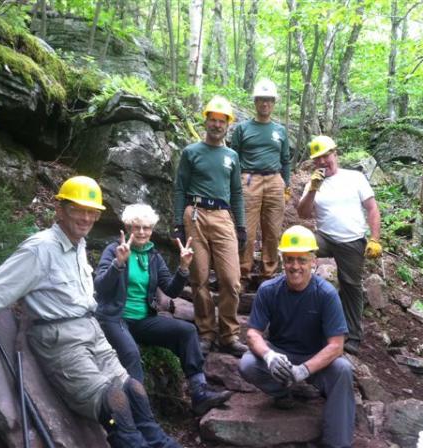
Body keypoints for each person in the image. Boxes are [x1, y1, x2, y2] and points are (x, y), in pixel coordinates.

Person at [0, 176, 180, 448]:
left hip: (91, 330)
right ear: (60, 209)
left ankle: (162, 443)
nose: (86, 217)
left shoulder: (78, 244)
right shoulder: (40, 249)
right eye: (78, 209)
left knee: (135, 392)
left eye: (91, 212)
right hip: (60, 338)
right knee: (115, 404)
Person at [94, 203, 232, 416]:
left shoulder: (153, 256)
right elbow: (100, 286)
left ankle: (199, 392)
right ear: (128, 227)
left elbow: (171, 290)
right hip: (115, 318)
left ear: (152, 230)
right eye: (136, 227)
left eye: (146, 228)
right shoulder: (114, 250)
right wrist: (118, 264)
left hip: (143, 320)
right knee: (131, 352)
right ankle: (139, 413)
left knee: (187, 331)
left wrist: (184, 268)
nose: (141, 232)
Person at [238, 225, 355, 448]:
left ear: (314, 262)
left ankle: (336, 442)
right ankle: (284, 391)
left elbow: (336, 346)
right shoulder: (268, 290)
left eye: (302, 260)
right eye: (289, 260)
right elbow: (253, 333)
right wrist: (270, 356)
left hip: (316, 357)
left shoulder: (326, 294)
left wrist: (305, 370)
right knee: (248, 363)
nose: (295, 266)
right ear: (283, 261)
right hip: (282, 355)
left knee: (343, 370)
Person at [173, 96, 248, 357]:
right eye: (213, 120)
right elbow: (180, 188)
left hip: (222, 216)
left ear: (228, 125)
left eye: (221, 121)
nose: (217, 125)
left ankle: (229, 334)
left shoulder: (232, 156)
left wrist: (241, 226)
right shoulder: (191, 152)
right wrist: (177, 224)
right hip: (194, 215)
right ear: (206, 121)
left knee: (230, 279)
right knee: (199, 278)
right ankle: (206, 333)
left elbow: (237, 193)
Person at [297, 136, 382, 355]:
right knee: (300, 249)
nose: (323, 161)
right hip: (324, 237)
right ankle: (299, 312)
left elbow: (372, 208)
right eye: (318, 158)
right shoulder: (314, 182)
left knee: (351, 284)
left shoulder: (355, 178)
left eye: (326, 155)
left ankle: (353, 335)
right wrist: (313, 188)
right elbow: (303, 213)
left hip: (352, 240)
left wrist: (374, 238)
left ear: (335, 154)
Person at [230, 79, 291, 285]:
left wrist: (287, 184)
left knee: (273, 230)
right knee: (246, 229)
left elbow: (285, 160)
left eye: (269, 100)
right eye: (261, 100)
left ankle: (268, 275)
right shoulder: (242, 129)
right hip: (249, 179)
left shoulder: (280, 130)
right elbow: (233, 157)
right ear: (255, 102)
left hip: (275, 179)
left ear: (274, 103)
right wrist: (234, 183)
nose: (265, 104)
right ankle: (243, 273)